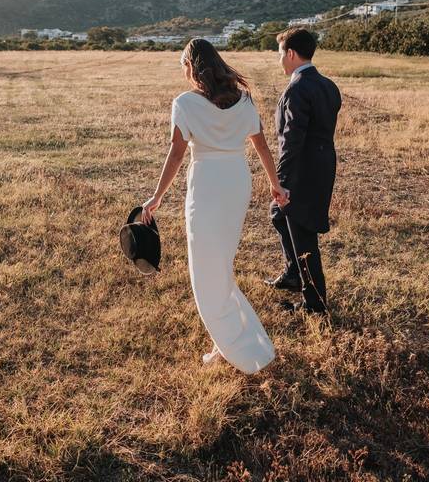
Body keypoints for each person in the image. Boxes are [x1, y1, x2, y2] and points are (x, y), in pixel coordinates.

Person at [141, 38, 284, 374]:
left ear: (191, 67)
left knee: (206, 272)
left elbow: (177, 153)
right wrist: (275, 185)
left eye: (184, 68)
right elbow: (262, 146)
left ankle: (237, 349)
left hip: (206, 183)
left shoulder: (185, 103)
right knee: (220, 264)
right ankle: (228, 342)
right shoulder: (243, 99)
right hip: (235, 181)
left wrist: (157, 196)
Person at [264, 28, 342, 315]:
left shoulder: (297, 89)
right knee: (280, 216)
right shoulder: (328, 85)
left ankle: (315, 304)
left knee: (303, 233)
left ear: (291, 54)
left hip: (302, 169)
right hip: (324, 164)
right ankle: (293, 273)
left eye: (280, 54)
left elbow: (291, 140)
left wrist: (280, 182)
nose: (279, 60)